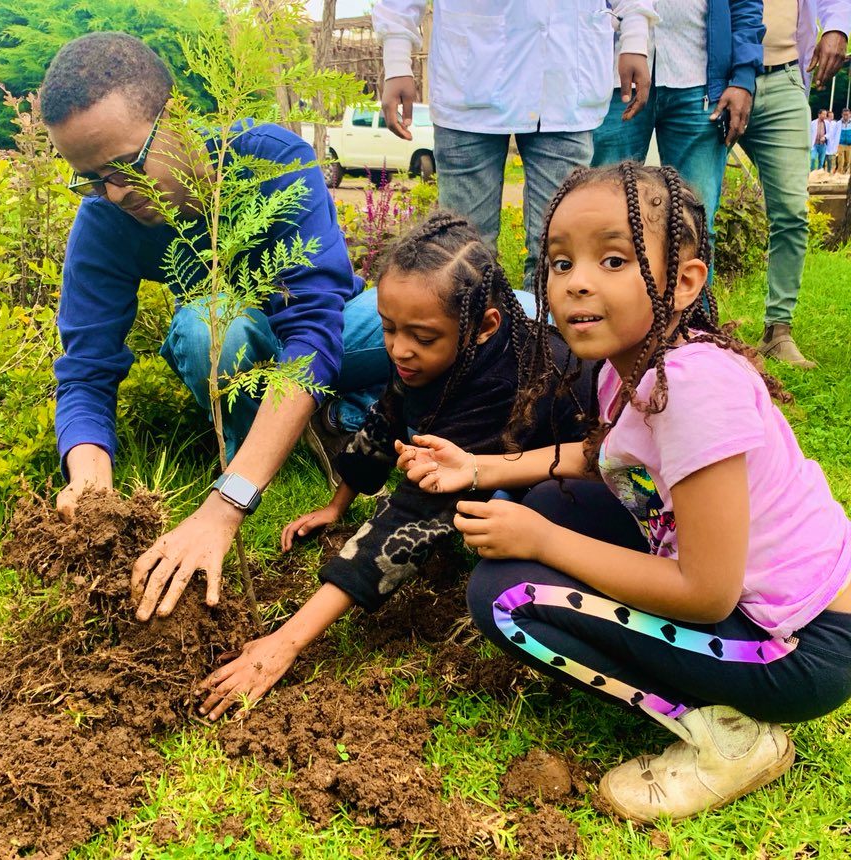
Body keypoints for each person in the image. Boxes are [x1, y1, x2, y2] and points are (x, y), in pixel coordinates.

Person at [398, 163, 851, 822]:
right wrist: (481, 469)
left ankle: (730, 738)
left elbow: (706, 591)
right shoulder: (641, 364)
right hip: (779, 615)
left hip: (797, 650)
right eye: (559, 262)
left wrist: (543, 542)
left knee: (505, 598)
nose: (576, 280)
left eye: (613, 258)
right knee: (561, 499)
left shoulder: (693, 392)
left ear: (686, 282)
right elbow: (608, 458)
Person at [39, 32, 389, 620]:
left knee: (458, 315)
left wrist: (225, 508)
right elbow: (85, 371)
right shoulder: (104, 217)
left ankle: (328, 417)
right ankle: (272, 446)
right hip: (239, 352)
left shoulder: (268, 157)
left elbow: (314, 334)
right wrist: (90, 476)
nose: (116, 192)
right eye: (91, 177)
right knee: (210, 331)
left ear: (173, 115)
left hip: (335, 329)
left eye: (126, 165)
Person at [197, 213, 592, 720]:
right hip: (490, 455)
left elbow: (410, 514)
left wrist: (286, 642)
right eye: (387, 328)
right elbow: (388, 415)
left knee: (518, 512)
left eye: (422, 338)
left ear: (484, 326)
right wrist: (338, 503)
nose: (399, 349)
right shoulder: (427, 349)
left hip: (580, 475)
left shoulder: (510, 378)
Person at [372, 0, 657, 291]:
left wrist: (634, 37)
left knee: (558, 251)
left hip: (565, 81)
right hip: (470, 79)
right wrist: (396, 62)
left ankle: (548, 336)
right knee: (464, 254)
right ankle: (474, 335)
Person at [593, 0, 765, 249]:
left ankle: (693, 290)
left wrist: (743, 77)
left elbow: (745, 5)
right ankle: (609, 289)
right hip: (615, 76)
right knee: (604, 217)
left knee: (696, 224)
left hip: (699, 80)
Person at [742, 1, 849, 369]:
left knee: (791, 211)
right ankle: (695, 329)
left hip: (786, 77)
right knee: (696, 211)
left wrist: (837, 28)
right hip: (714, 77)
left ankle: (778, 331)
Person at [839, 107, 851, 173]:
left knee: (847, 161)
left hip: (849, 144)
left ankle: (844, 171)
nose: (846, 116)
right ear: (842, 115)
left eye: (847, 114)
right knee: (840, 160)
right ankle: (839, 173)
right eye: (844, 114)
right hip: (840, 144)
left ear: (850, 114)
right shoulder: (838, 123)